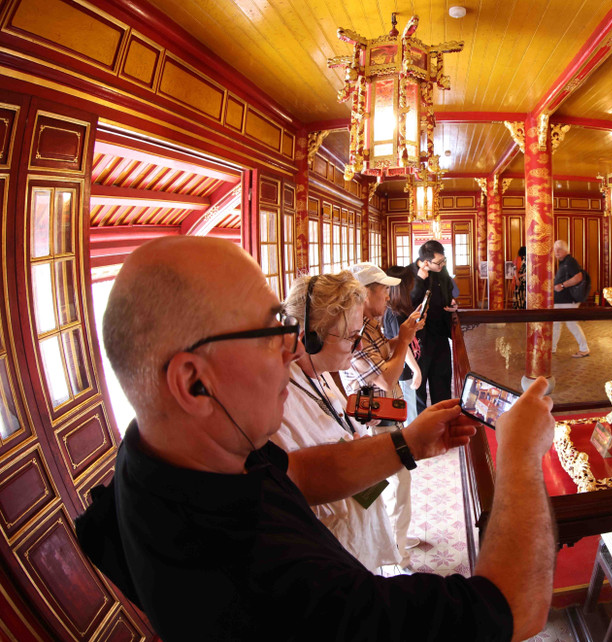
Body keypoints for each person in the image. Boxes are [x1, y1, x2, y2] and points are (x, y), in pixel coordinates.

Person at [75, 236, 557, 642]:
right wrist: (519, 457)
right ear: (194, 384)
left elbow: (299, 470)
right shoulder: (274, 579)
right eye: (271, 332)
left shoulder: (175, 452)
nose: (290, 348)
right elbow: (513, 606)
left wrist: (407, 441)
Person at [272, 272, 399, 571]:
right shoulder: (278, 404)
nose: (357, 347)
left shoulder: (322, 373)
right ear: (310, 338)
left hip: (357, 529)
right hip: (332, 555)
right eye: (351, 337)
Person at [342, 262, 424, 567]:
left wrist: (404, 335)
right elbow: (386, 378)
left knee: (398, 487)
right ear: (364, 295)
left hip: (386, 415)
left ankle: (397, 541)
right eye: (384, 292)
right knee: (394, 488)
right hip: (375, 423)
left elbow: (383, 354)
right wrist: (403, 339)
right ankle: (395, 557)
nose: (388, 298)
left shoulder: (370, 324)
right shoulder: (357, 331)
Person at [411, 240, 459, 413]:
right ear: (425, 262)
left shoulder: (441, 270)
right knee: (419, 386)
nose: (443, 265)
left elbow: (448, 291)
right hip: (419, 340)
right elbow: (409, 303)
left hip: (440, 335)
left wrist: (453, 305)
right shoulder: (410, 274)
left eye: (444, 260)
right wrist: (419, 280)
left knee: (442, 382)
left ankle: (442, 418)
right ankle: (421, 426)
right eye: (439, 262)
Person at [382, 265, 423, 425]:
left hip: (408, 367)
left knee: (411, 407)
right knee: (409, 412)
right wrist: (416, 370)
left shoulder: (401, 308)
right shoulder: (394, 313)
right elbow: (402, 345)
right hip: (404, 370)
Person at [552, 239, 589, 358]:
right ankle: (552, 348)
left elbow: (578, 277)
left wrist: (562, 285)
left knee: (571, 324)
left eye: (559, 249)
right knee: (556, 324)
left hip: (568, 301)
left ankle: (584, 349)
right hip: (561, 301)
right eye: (555, 249)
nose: (556, 252)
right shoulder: (563, 262)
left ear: (565, 250)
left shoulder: (570, 261)